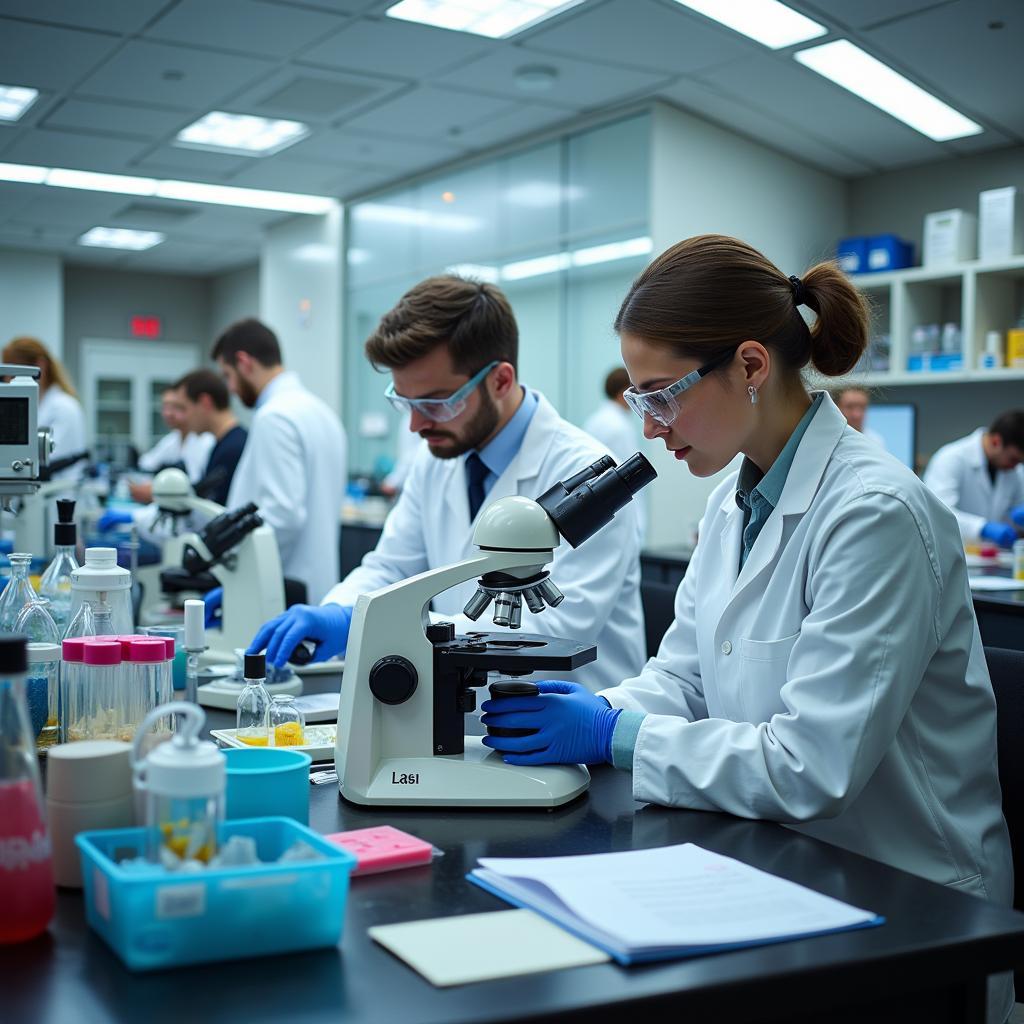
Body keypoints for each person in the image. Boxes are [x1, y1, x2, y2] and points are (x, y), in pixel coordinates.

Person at [479, 236, 1012, 1021]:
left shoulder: (875, 513)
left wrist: (615, 736)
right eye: (640, 400)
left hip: (910, 904)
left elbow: (810, 765)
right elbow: (684, 677)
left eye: (662, 395)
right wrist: (596, 709)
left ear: (753, 367)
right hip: (780, 868)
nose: (653, 427)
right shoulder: (733, 500)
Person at [249, 275, 644, 695]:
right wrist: (339, 610)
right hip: (460, 719)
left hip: (573, 732)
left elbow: (551, 629)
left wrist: (368, 622)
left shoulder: (589, 475)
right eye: (406, 403)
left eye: (435, 403)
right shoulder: (437, 460)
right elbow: (391, 568)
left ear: (500, 381)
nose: (417, 424)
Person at [209, 318, 346, 605]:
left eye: (227, 375)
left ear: (244, 362)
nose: (230, 388)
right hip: (318, 585)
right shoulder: (321, 411)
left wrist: (238, 575)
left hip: (281, 589)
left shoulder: (275, 416)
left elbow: (282, 516)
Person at [922, 411, 1024, 549]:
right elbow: (939, 516)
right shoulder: (951, 458)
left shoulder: (1014, 470)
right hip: (957, 558)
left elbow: (1012, 520)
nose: (1015, 467)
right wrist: (982, 528)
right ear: (996, 442)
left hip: (996, 558)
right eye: (1013, 459)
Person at [2, 336, 87, 480]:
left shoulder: (64, 408)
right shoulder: (36, 406)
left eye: (12, 370)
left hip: (54, 494)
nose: (6, 379)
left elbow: (47, 459)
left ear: (39, 365)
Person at [172, 368, 247, 507]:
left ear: (205, 402)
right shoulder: (224, 445)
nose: (181, 418)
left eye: (183, 408)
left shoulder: (233, 451)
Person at [133, 387, 214, 500]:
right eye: (165, 407)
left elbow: (195, 488)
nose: (168, 413)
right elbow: (146, 463)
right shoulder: (173, 439)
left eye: (175, 407)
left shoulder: (205, 441)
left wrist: (156, 492)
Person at [583, 367, 639, 464]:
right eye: (635, 391)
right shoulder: (620, 426)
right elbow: (632, 466)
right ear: (624, 393)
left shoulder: (594, 420)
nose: (638, 396)